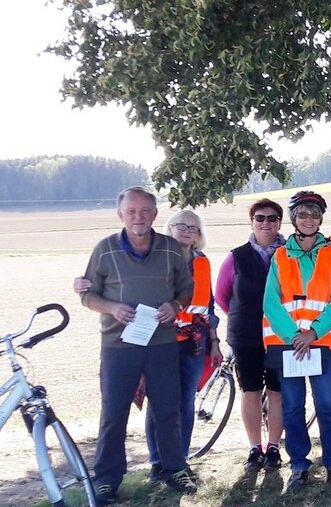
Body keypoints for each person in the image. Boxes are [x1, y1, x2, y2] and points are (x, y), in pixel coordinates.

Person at [80, 187, 198, 503]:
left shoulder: (172, 249)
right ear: (120, 214)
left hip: (161, 344)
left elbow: (187, 288)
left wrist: (175, 305)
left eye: (145, 210)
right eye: (131, 211)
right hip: (118, 347)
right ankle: (107, 479)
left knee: (167, 410)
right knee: (114, 413)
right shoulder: (104, 250)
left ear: (155, 214)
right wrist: (111, 308)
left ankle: (174, 469)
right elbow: (86, 295)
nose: (138, 217)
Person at [262, 190, 331, 488]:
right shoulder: (279, 255)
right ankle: (299, 464)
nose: (309, 219)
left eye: (314, 214)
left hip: (321, 344)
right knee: (292, 407)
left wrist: (313, 333)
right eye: (303, 214)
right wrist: (294, 335)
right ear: (294, 219)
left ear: (321, 218)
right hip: (289, 346)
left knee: (327, 405)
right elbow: (270, 302)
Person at [214, 198, 286, 470]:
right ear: (252, 222)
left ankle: (274, 448)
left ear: (279, 222)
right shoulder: (236, 256)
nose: (265, 223)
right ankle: (255, 448)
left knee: (277, 393)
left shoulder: (291, 253)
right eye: (260, 218)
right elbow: (223, 296)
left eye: (271, 218)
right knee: (251, 391)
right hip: (246, 335)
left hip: (282, 337)